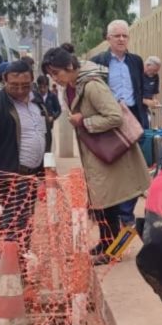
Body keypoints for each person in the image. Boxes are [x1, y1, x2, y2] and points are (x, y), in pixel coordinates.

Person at [44, 46, 150, 264]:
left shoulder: (92, 86)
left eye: (57, 73)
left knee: (107, 202)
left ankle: (112, 248)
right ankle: (106, 243)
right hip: (96, 152)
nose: (55, 79)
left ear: (70, 66)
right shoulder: (71, 87)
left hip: (109, 153)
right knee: (101, 202)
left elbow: (114, 116)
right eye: (51, 75)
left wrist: (85, 121)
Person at [0, 60, 49, 245]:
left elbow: (45, 133)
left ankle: (19, 263)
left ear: (32, 81)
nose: (20, 90)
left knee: (25, 222)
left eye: (25, 85)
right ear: (5, 80)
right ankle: (10, 268)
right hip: (11, 175)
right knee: (13, 224)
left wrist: (45, 171)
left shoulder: (37, 100)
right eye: (14, 86)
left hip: (32, 176)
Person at [90, 20, 149, 128]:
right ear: (108, 38)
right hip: (109, 117)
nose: (121, 39)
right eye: (117, 36)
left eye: (125, 36)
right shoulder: (97, 62)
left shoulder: (136, 61)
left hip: (134, 115)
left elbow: (140, 89)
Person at [142, 55, 162, 124]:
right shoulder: (137, 74)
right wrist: (146, 101)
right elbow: (133, 94)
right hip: (135, 108)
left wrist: (154, 101)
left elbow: (154, 93)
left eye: (157, 71)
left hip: (145, 109)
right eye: (154, 70)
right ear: (147, 65)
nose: (155, 73)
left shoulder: (155, 76)